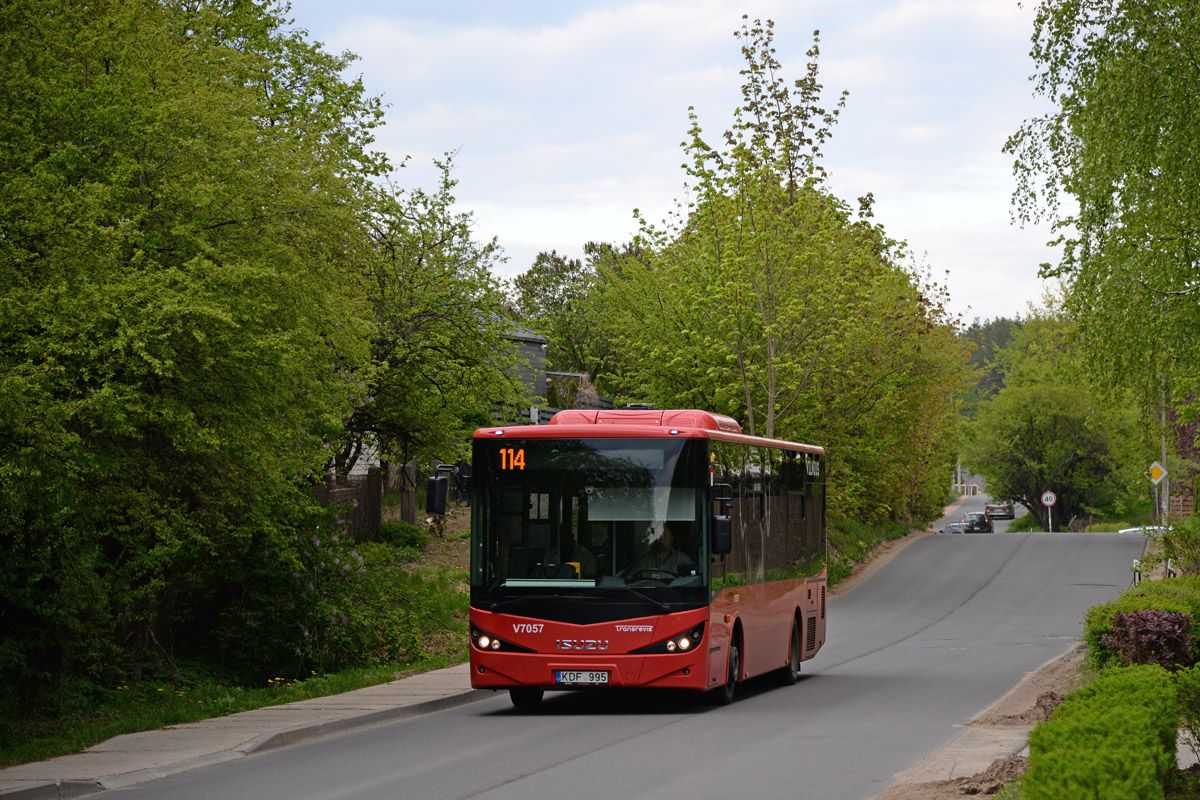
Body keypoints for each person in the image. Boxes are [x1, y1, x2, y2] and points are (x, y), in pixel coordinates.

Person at [630, 522, 695, 577]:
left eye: (664, 535)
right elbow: (630, 580)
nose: (662, 539)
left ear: (671, 539)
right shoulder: (644, 561)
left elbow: (691, 581)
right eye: (659, 536)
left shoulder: (683, 559)